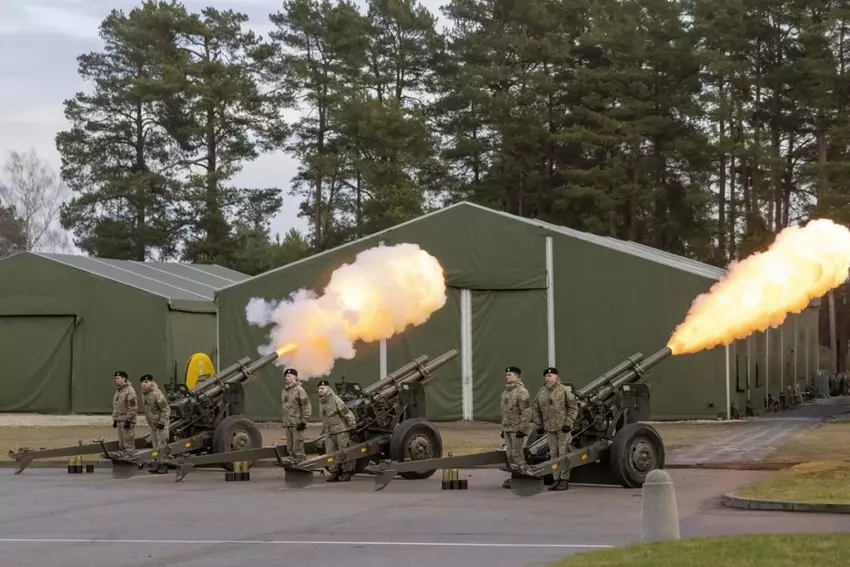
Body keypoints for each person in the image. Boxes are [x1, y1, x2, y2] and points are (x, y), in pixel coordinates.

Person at [532, 366, 578, 491]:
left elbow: (573, 408)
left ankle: (564, 480)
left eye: (551, 375)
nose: (548, 378)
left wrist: (568, 423)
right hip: (549, 429)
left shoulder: (563, 390)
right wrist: (539, 424)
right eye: (546, 376)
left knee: (564, 454)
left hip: (563, 428)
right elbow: (535, 408)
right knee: (553, 455)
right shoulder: (542, 391)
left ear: (557, 376)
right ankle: (556, 479)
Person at [317, 379, 357, 482]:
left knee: (343, 452)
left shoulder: (336, 400)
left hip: (341, 431)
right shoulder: (322, 402)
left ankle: (346, 473)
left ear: (328, 388)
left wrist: (352, 426)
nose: (320, 390)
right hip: (329, 432)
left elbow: (347, 413)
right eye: (319, 388)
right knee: (330, 453)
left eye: (322, 388)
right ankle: (334, 473)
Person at [500, 365, 531, 489]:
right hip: (507, 428)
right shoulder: (505, 392)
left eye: (510, 374)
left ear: (517, 376)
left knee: (517, 454)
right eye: (507, 374)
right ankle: (515, 477)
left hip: (517, 429)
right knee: (510, 455)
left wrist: (522, 429)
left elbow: (526, 412)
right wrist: (503, 428)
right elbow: (504, 412)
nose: (507, 377)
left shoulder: (522, 392)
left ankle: (524, 478)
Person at [140, 374, 170, 473]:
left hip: (160, 423)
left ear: (151, 382)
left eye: (146, 382)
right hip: (153, 424)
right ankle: (157, 463)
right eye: (143, 382)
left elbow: (166, 409)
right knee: (155, 444)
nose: (144, 384)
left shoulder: (156, 393)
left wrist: (162, 422)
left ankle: (164, 464)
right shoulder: (145, 394)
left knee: (162, 444)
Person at [281, 368, 312, 463]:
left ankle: (301, 464)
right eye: (286, 376)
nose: (287, 378)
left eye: (289, 376)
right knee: (290, 447)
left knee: (297, 447)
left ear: (295, 377)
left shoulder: (299, 390)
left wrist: (303, 421)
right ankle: (293, 464)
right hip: (288, 423)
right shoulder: (284, 391)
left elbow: (306, 406)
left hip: (297, 424)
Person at [111, 371, 138, 458]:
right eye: (115, 378)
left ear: (124, 379)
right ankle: (124, 455)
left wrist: (129, 420)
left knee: (128, 441)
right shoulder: (118, 391)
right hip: (119, 419)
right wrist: (115, 419)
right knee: (122, 442)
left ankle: (131, 456)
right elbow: (116, 405)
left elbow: (133, 407)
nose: (116, 380)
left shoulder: (129, 391)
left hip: (127, 420)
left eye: (118, 378)